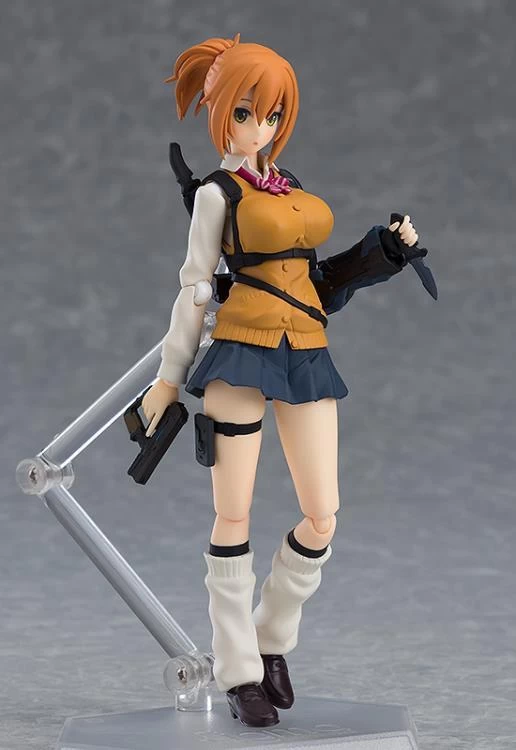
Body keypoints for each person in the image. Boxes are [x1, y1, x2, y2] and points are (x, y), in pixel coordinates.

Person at [142, 33, 420, 728]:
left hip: (305, 351)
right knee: (232, 514)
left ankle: (270, 639)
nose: (259, 128)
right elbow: (195, 289)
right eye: (245, 113)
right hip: (240, 354)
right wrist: (168, 380)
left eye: (271, 115)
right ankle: (238, 670)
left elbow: (317, 282)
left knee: (323, 514)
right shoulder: (216, 194)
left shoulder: (287, 185)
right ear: (220, 114)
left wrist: (383, 252)